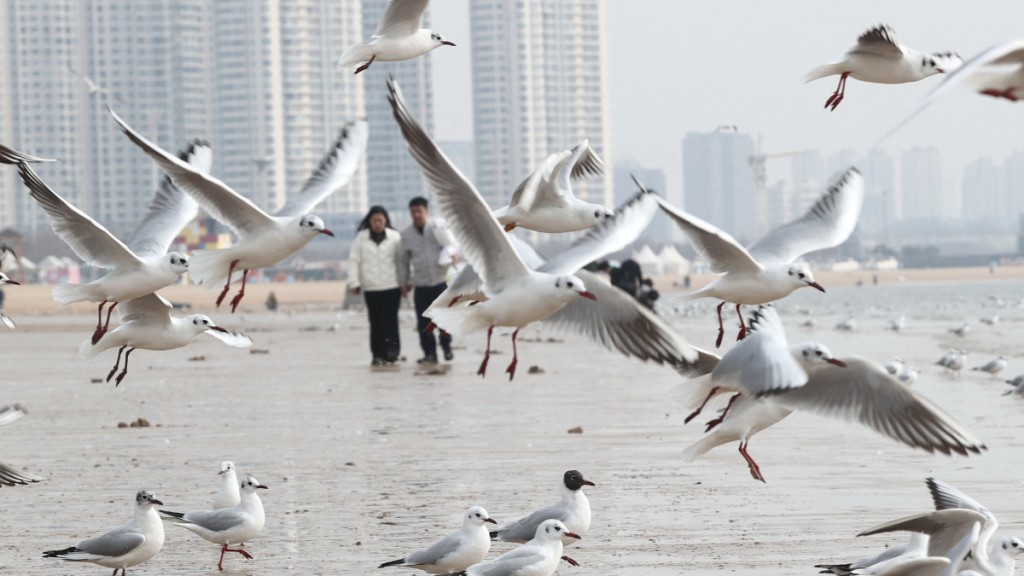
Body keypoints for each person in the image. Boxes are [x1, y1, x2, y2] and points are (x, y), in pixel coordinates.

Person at [400, 197, 454, 364]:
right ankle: (429, 354)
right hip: (421, 284)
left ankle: (446, 347)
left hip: (440, 282)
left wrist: (454, 256)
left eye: (419, 211)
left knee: (444, 318)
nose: (416, 215)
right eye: (413, 212)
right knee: (423, 322)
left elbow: (451, 245)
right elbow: (403, 261)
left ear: (426, 212)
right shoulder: (406, 234)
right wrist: (405, 282)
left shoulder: (437, 228)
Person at [348, 206, 403, 367]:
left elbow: (402, 261)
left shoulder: (395, 237)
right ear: (369, 221)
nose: (378, 223)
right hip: (371, 288)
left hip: (392, 286)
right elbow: (354, 261)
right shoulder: (361, 238)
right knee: (376, 322)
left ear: (385, 220)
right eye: (374, 220)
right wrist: (354, 282)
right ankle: (377, 354)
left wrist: (407, 281)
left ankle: (392, 352)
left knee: (391, 321)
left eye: (380, 220)